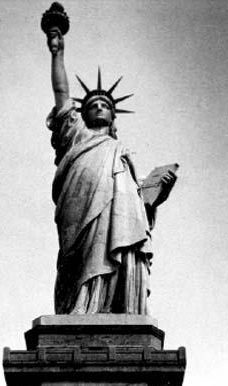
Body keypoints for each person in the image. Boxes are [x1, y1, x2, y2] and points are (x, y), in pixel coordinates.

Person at [45, 23, 177, 314]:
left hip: (117, 213)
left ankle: (111, 308)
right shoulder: (76, 135)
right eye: (93, 104)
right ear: (84, 113)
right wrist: (57, 52)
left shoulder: (122, 155)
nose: (100, 107)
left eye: (105, 104)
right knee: (80, 260)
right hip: (79, 210)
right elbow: (61, 92)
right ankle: (81, 308)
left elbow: (140, 204)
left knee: (118, 248)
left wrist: (156, 194)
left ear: (113, 117)